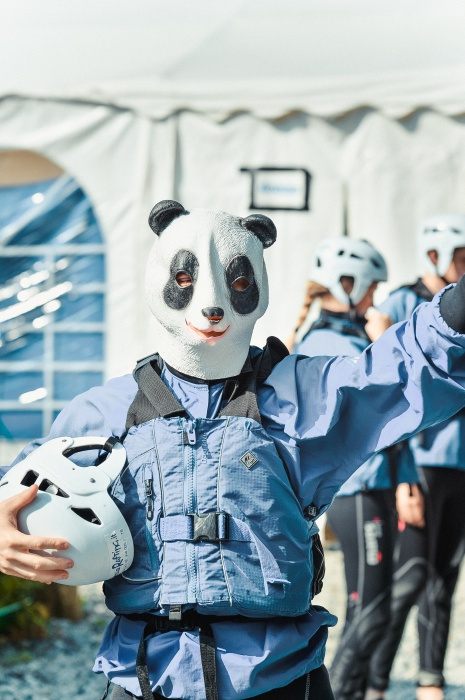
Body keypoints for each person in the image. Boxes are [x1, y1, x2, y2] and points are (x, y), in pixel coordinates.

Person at [2, 201, 465, 700]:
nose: (213, 303)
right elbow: (20, 483)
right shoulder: (105, 413)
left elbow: (403, 367)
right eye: (185, 277)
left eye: (239, 283)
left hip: (280, 680)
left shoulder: (301, 396)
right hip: (144, 679)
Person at [289, 237, 423, 700]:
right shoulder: (329, 343)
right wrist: (386, 340)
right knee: (369, 609)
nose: (374, 299)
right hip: (358, 490)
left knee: (374, 606)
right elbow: (378, 408)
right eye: (372, 289)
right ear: (349, 284)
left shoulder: (343, 336)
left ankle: (360, 691)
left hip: (373, 485)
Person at [365, 214, 465, 700]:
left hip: (459, 467)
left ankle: (431, 681)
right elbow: (386, 399)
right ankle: (377, 682)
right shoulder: (400, 304)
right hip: (419, 467)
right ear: (435, 257)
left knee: (443, 580)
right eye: (462, 258)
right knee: (408, 582)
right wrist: (403, 478)